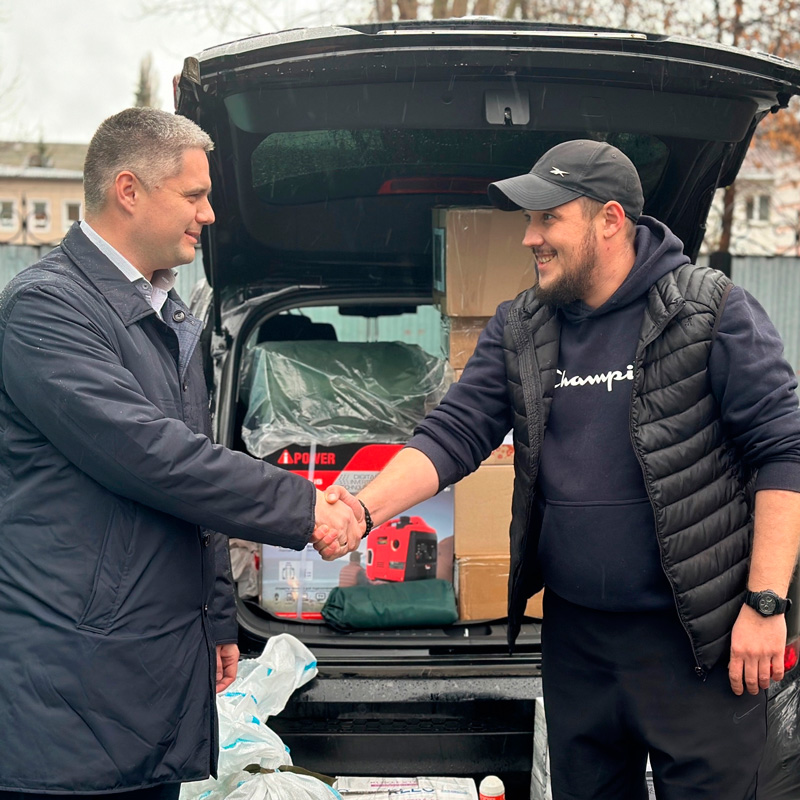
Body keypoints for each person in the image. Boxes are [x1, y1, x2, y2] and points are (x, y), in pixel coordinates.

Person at [333, 139, 800, 799]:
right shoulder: (520, 326)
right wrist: (361, 509)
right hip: (579, 644)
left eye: (547, 218)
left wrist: (766, 602)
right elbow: (455, 433)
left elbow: (784, 451)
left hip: (698, 643)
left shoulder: (712, 312)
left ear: (610, 220)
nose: (528, 237)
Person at [0, 108, 364, 800]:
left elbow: (191, 480)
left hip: (148, 676)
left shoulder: (167, 316)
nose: (210, 214)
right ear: (129, 190)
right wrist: (306, 505)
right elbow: (152, 456)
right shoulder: (45, 309)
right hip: (70, 687)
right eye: (194, 195)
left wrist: (218, 618)